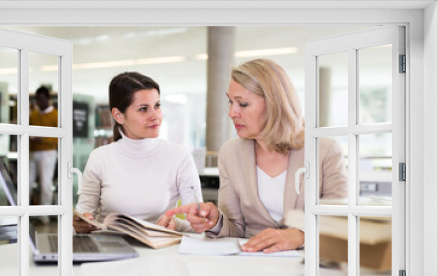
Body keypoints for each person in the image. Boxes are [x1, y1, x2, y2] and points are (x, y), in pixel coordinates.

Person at [162, 58, 347, 253]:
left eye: (242, 104)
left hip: (308, 265)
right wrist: (215, 221)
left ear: (275, 105)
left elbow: (341, 223)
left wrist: (301, 236)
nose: (232, 113)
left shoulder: (325, 150)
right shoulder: (230, 153)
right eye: (230, 102)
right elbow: (235, 228)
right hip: (251, 262)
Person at [73, 71, 202, 233]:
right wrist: (81, 224)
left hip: (160, 252)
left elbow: (199, 222)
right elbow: (83, 215)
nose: (155, 116)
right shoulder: (100, 157)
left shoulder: (179, 156)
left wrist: (178, 224)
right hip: (110, 248)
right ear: (119, 116)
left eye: (157, 106)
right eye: (143, 109)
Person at [29, 86, 58, 223]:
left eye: (41, 99)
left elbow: (58, 136)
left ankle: (44, 215)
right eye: (37, 100)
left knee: (46, 184)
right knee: (27, 183)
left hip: (48, 152)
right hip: (32, 152)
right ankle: (26, 212)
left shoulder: (55, 115)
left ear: (48, 99)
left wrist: (42, 138)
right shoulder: (33, 114)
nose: (38, 102)